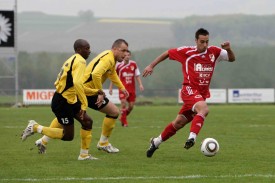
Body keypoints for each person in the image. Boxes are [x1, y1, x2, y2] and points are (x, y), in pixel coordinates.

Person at [142, 28, 236, 158]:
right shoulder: (186, 52)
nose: (205, 45)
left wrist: (229, 49)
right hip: (189, 90)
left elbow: (231, 59)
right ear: (196, 41)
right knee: (204, 109)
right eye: (202, 42)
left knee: (179, 123)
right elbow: (167, 53)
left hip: (200, 95)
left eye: (207, 42)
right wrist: (151, 65)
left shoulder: (214, 52)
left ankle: (156, 142)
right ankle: (192, 138)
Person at [35, 39, 129, 154]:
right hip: (88, 92)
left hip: (85, 90)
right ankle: (102, 144)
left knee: (66, 117)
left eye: (127, 51)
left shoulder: (110, 58)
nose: (125, 54)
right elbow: (96, 74)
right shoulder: (107, 59)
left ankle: (43, 141)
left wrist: (122, 87)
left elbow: (112, 73)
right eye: (123, 50)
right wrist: (99, 92)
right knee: (113, 112)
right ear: (114, 48)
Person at [21, 39, 102, 160]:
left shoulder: (73, 59)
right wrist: (84, 104)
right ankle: (35, 127)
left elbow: (76, 85)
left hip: (70, 100)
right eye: (87, 48)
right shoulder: (80, 61)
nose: (89, 51)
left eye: (89, 48)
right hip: (62, 102)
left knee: (87, 122)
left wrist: (95, 91)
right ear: (79, 50)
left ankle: (84, 155)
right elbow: (77, 83)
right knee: (68, 136)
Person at [109, 50, 144, 127]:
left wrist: (140, 84)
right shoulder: (118, 65)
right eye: (125, 55)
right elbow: (114, 77)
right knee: (123, 104)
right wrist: (111, 88)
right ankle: (125, 123)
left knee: (131, 107)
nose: (127, 56)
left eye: (128, 55)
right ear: (123, 56)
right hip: (123, 89)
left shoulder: (133, 64)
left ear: (130, 56)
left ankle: (122, 117)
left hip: (132, 89)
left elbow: (137, 75)